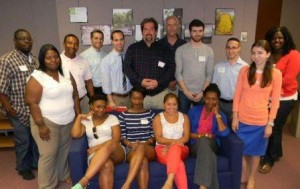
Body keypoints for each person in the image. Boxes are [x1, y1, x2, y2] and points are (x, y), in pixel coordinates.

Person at [25, 44, 80, 188]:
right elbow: (32, 103)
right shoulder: (37, 76)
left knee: (64, 151)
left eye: (55, 56)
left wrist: (78, 117)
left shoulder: (66, 72)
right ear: (43, 60)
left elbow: (75, 95)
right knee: (48, 155)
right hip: (46, 121)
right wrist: (41, 125)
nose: (53, 60)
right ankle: (46, 185)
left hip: (67, 120)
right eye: (48, 57)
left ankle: (63, 174)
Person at [232, 40, 282, 189]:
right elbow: (237, 95)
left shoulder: (276, 74)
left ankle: (252, 178)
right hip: (243, 118)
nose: (256, 56)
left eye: (260, 53)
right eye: (253, 53)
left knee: (255, 152)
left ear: (268, 54)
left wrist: (270, 124)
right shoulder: (245, 71)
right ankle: (243, 174)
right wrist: (235, 116)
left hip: (260, 121)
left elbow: (275, 102)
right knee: (239, 150)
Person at [260, 26, 300, 174]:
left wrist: (264, 85)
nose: (277, 40)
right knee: (271, 125)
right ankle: (277, 152)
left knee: (275, 128)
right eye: (274, 37)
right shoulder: (269, 55)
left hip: (286, 97)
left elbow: (288, 80)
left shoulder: (294, 54)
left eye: (280, 37)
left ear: (286, 38)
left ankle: (269, 159)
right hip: (269, 98)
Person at [0, 29, 39, 180]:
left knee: (35, 138)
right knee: (23, 140)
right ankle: (23, 167)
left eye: (29, 39)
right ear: (15, 41)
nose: (27, 42)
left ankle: (35, 162)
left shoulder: (33, 59)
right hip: (16, 108)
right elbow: (1, 87)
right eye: (23, 39)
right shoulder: (6, 60)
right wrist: (8, 108)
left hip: (33, 108)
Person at [71, 94, 125, 189]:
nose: (101, 109)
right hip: (96, 156)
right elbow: (75, 135)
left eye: (104, 107)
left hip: (115, 152)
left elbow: (116, 140)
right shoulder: (86, 121)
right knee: (106, 165)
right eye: (98, 106)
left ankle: (84, 181)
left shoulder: (112, 118)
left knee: (110, 142)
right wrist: (79, 117)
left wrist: (97, 147)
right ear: (91, 106)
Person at [124, 17, 174, 109]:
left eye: (151, 29)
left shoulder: (165, 49)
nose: (148, 32)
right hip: (140, 97)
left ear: (156, 31)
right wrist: (140, 81)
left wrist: (158, 82)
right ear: (142, 32)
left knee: (160, 122)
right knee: (141, 122)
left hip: (160, 95)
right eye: (145, 29)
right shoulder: (133, 48)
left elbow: (171, 69)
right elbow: (126, 68)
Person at [188, 83, 230, 189]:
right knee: (204, 144)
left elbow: (224, 133)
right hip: (195, 146)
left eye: (214, 99)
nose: (210, 102)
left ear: (218, 100)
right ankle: (204, 187)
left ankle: (203, 186)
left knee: (205, 143)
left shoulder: (221, 115)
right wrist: (204, 135)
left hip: (213, 145)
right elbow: (186, 133)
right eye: (208, 99)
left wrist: (217, 114)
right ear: (204, 98)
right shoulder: (194, 111)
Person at [118, 86, 156, 189]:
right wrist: (131, 144)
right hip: (131, 149)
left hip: (148, 148)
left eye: (140, 98)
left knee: (141, 147)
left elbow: (154, 135)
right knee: (142, 161)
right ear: (130, 98)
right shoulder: (123, 115)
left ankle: (127, 184)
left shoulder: (150, 114)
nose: (137, 101)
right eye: (134, 98)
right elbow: (122, 137)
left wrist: (145, 143)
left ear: (143, 98)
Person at [175, 19, 214, 114]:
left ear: (203, 32)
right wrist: (186, 91)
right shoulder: (181, 50)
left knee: (200, 120)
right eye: (195, 31)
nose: (197, 34)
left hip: (202, 92)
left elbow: (210, 74)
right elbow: (178, 73)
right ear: (190, 32)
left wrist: (202, 92)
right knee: (183, 119)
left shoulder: (209, 51)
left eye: (200, 31)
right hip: (184, 92)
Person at [153, 93, 190, 189]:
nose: (171, 107)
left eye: (174, 104)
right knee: (179, 164)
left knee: (175, 147)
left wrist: (170, 145)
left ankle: (169, 182)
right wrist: (174, 143)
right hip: (162, 149)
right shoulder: (158, 118)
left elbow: (186, 138)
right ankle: (170, 182)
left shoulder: (184, 117)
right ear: (163, 104)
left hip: (181, 149)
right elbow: (159, 138)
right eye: (168, 104)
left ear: (178, 105)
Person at [212, 37, 248, 125]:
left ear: (239, 49)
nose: (230, 50)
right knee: (220, 130)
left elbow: (247, 90)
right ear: (225, 49)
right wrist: (215, 104)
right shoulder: (218, 66)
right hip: (220, 104)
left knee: (235, 130)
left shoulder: (246, 67)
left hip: (237, 105)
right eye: (228, 47)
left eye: (234, 48)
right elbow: (214, 87)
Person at [61, 34, 94, 113]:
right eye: (70, 43)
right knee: (72, 125)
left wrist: (93, 100)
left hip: (83, 101)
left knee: (87, 123)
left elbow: (89, 82)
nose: (73, 46)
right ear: (64, 44)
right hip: (67, 103)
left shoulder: (83, 61)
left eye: (76, 44)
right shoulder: (58, 61)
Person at [101, 30, 132, 109]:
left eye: (121, 39)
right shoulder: (106, 60)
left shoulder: (128, 57)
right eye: (116, 40)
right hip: (115, 99)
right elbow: (106, 82)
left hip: (129, 97)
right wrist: (111, 101)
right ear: (112, 41)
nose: (119, 43)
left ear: (124, 40)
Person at [157, 16, 186, 94]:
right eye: (169, 25)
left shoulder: (184, 45)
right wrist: (166, 81)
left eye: (174, 25)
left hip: (181, 86)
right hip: (163, 86)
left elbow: (187, 66)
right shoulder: (158, 45)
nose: (172, 27)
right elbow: (158, 65)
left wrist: (176, 81)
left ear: (178, 27)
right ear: (165, 27)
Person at [80, 29, 107, 95]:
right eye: (96, 38)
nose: (99, 41)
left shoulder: (105, 55)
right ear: (91, 39)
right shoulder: (83, 56)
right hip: (91, 89)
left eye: (101, 39)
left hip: (104, 88)